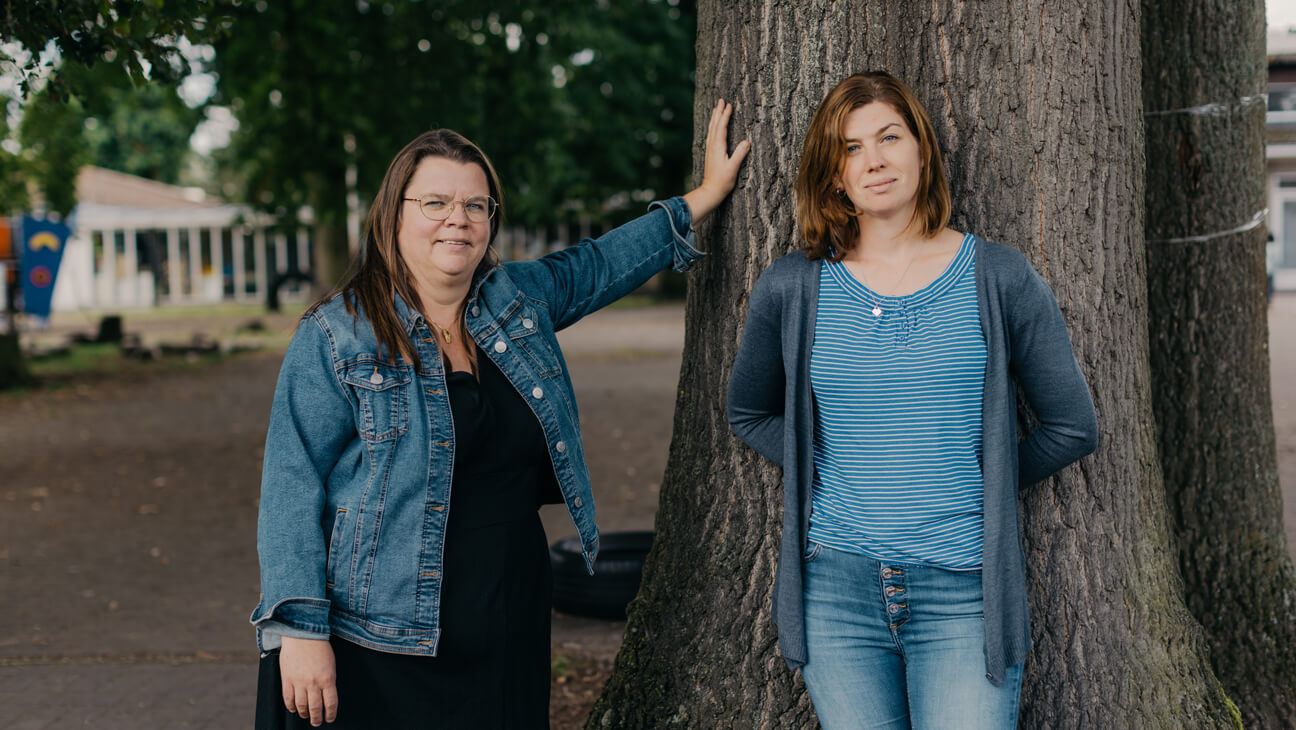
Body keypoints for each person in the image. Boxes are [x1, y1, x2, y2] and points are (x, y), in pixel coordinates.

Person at [252, 101, 749, 729]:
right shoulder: (338, 334)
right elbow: (291, 485)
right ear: (393, 214)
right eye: (434, 203)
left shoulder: (515, 302)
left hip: (508, 606)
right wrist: (298, 629)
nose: (456, 220)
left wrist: (702, 197)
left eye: (475, 205)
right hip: (381, 627)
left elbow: (599, 264)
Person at [726, 71, 1098, 729]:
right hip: (836, 594)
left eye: (889, 137)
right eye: (849, 147)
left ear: (921, 150)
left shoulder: (999, 278)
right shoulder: (792, 289)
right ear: (833, 175)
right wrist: (822, 471)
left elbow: (1071, 426)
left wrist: (985, 477)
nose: (873, 160)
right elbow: (749, 412)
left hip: (964, 594)